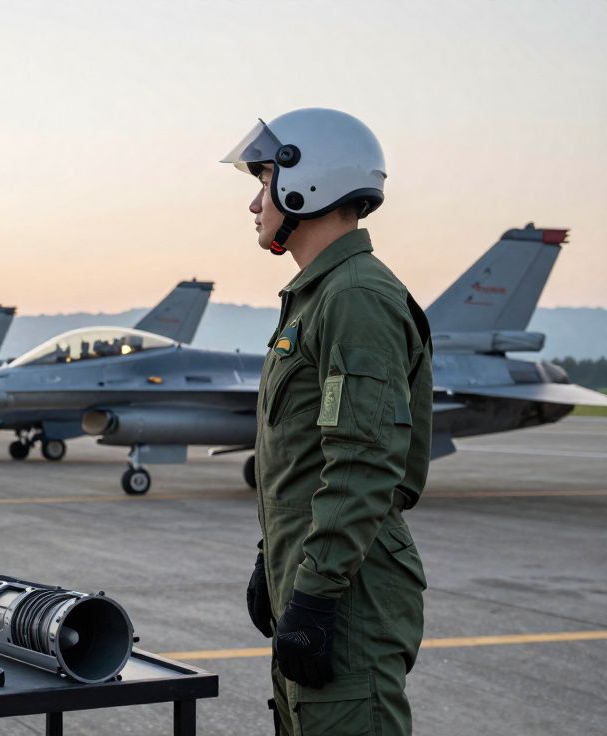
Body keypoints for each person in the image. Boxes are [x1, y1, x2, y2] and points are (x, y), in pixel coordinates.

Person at [221, 108, 434, 735]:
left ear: (303, 184)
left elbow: (364, 462)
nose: (255, 204)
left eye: (263, 183)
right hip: (318, 576)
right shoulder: (319, 298)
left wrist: (314, 595)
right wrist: (274, 558)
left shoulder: (354, 298)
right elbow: (304, 460)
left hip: (347, 593)